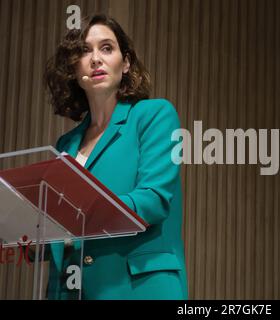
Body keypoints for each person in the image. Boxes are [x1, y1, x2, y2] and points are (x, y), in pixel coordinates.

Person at [43, 13, 187, 300]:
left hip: (139, 288)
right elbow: (58, 232)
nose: (96, 58)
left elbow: (153, 200)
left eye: (107, 48)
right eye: (85, 51)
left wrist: (77, 217)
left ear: (126, 62)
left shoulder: (154, 115)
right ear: (74, 68)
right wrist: (25, 237)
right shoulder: (66, 144)